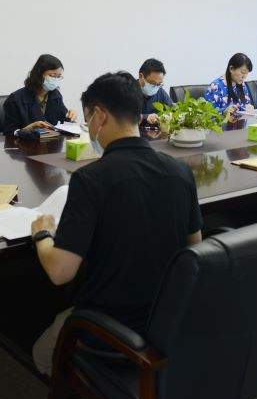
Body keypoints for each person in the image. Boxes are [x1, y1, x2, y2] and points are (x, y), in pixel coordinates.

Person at [29, 72, 202, 376]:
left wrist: (42, 233)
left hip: (109, 327)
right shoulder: (180, 171)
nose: (89, 128)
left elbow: (60, 272)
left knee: (41, 356)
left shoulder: (90, 179)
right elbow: (196, 250)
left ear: (100, 115)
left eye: (88, 120)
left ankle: (98, 385)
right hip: (169, 319)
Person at [3, 54, 78, 135]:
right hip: (25, 142)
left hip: (51, 141)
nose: (56, 80)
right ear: (39, 74)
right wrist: (29, 128)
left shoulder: (55, 95)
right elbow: (9, 132)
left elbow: (63, 117)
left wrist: (70, 116)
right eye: (52, 75)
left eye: (59, 76)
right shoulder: (15, 99)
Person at [204, 53, 255, 121]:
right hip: (222, 126)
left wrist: (249, 108)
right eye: (242, 72)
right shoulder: (215, 86)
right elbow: (209, 114)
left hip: (241, 125)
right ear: (231, 69)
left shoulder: (242, 85)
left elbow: (246, 105)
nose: (244, 77)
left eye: (247, 73)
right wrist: (224, 111)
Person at [138, 58, 172, 125]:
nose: (156, 87)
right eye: (153, 83)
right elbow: (124, 117)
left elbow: (172, 109)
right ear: (141, 76)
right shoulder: (129, 91)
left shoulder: (160, 91)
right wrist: (146, 117)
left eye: (159, 84)